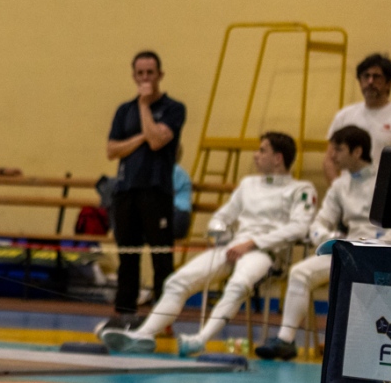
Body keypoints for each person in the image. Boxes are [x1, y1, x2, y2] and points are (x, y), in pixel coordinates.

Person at [102, 132, 315, 357]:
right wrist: (219, 234)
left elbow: (299, 227)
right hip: (232, 247)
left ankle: (201, 339)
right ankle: (143, 335)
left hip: (265, 253)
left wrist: (252, 243)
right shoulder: (248, 184)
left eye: (262, 151)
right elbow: (222, 217)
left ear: (278, 158)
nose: (256, 155)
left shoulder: (301, 190)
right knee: (177, 281)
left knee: (238, 285)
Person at [257, 126, 391, 360]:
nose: (332, 156)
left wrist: (381, 246)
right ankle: (286, 340)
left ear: (357, 151)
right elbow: (319, 223)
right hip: (348, 250)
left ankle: (359, 348)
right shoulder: (340, 185)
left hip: (380, 253)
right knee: (300, 273)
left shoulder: (386, 180)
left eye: (339, 149)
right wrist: (330, 239)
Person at [102, 51, 187, 331]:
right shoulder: (123, 110)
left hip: (156, 191)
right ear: (133, 76)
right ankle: (125, 314)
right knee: (128, 256)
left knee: (161, 257)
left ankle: (163, 318)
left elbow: (156, 141)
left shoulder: (174, 108)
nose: (145, 78)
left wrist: (144, 106)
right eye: (140, 73)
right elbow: (111, 150)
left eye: (150, 73)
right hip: (126, 190)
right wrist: (140, 136)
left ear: (160, 75)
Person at [325, 53, 391, 182]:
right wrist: (339, 190)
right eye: (366, 76)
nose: (370, 82)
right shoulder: (344, 116)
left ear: (389, 83)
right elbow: (329, 160)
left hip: (388, 191)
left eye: (376, 76)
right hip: (350, 191)